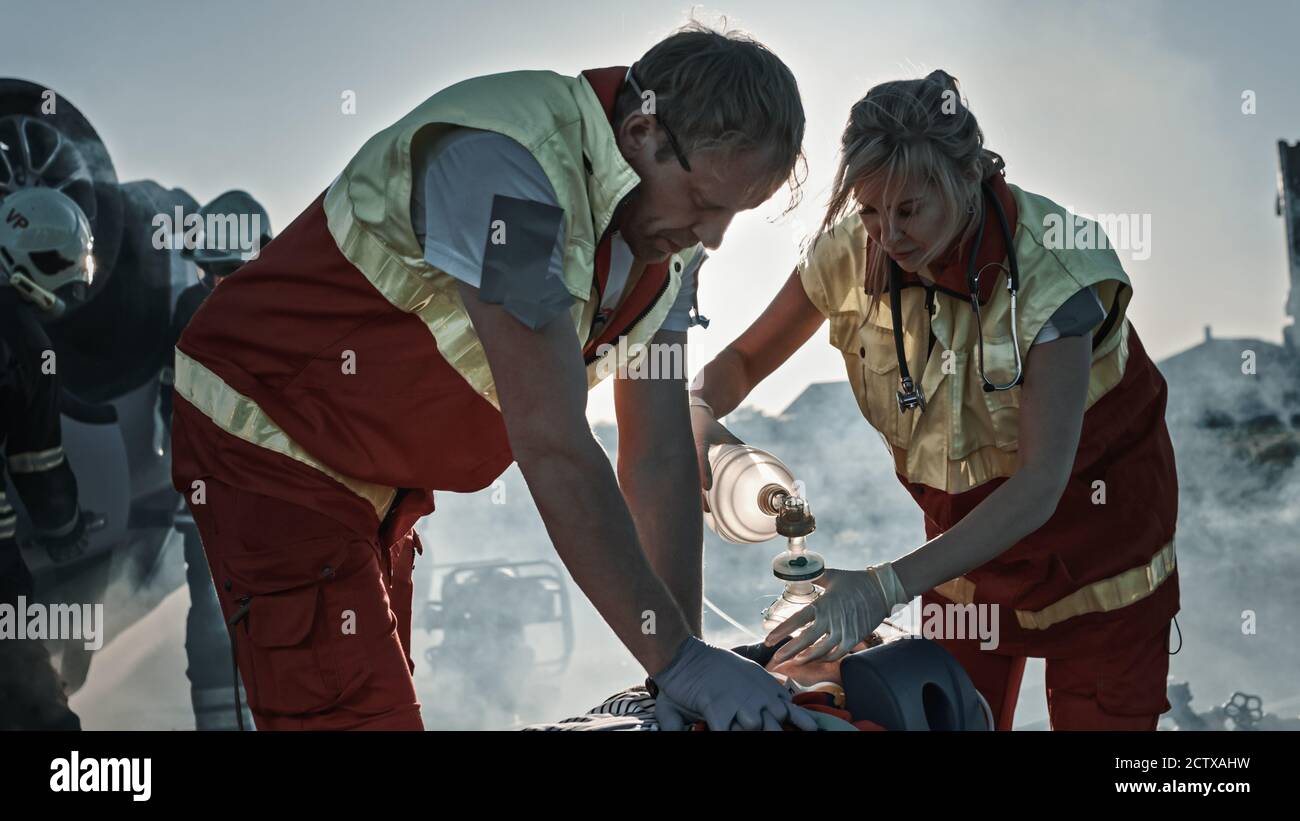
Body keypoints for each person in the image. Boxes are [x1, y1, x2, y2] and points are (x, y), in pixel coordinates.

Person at [170, 23, 817, 731]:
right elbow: (552, 442)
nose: (715, 236)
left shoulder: (669, 244)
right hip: (271, 442)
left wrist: (681, 668)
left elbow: (659, 454)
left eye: (735, 215)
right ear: (640, 133)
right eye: (707, 203)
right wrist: (680, 663)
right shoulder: (509, 177)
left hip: (375, 471)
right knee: (357, 714)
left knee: (376, 695)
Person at [690, 70, 1179, 730]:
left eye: (909, 209)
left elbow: (1039, 484)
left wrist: (885, 585)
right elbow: (745, 360)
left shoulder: (1055, 274)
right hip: (965, 567)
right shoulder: (851, 254)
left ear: (965, 179)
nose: (887, 234)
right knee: (936, 715)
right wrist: (694, 412)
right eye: (868, 209)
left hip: (1101, 567)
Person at [160, 190, 272, 730]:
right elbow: (174, 407)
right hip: (209, 501)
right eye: (208, 273)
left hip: (273, 499)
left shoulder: (283, 308)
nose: (215, 284)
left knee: (280, 614)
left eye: (227, 272)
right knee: (210, 615)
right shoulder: (190, 310)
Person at [0, 187, 95, 730]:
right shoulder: (30, 347)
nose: (73, 281)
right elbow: (39, 469)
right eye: (63, 264)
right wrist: (67, 530)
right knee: (39, 718)